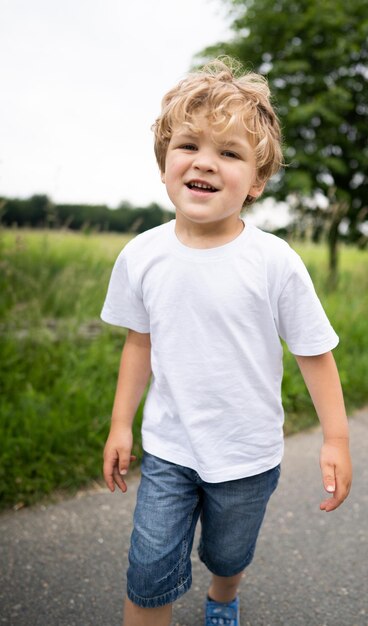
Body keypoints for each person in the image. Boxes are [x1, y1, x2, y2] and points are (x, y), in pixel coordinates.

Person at [101, 58, 352, 626]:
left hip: (247, 453)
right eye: (189, 144)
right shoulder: (142, 255)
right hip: (169, 447)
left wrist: (335, 438)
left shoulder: (273, 262)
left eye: (230, 153)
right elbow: (139, 344)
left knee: (227, 554)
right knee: (147, 574)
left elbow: (313, 351)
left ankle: (222, 598)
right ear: (165, 161)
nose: (205, 162)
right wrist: (121, 423)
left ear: (257, 182)